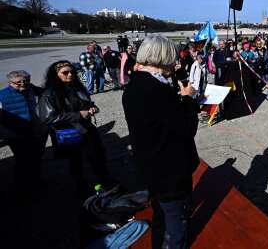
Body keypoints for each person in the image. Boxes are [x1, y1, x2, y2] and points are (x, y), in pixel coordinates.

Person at [122, 35, 200, 249]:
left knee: (162, 217)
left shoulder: (136, 84)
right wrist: (188, 98)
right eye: (173, 59)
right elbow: (186, 129)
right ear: (163, 58)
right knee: (176, 223)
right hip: (169, 170)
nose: (176, 64)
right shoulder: (156, 90)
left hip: (151, 165)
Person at [38, 60, 113, 197]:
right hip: (69, 132)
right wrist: (77, 115)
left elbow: (85, 102)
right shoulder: (49, 94)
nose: (70, 74)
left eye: (72, 71)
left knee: (97, 156)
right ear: (56, 75)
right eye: (65, 73)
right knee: (75, 161)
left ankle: (105, 181)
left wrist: (92, 107)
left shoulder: (77, 87)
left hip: (87, 129)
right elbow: (48, 118)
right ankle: (81, 187)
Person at [0, 71, 47, 194]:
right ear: (10, 83)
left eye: (26, 80)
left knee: (37, 156)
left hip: (36, 130)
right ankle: (22, 187)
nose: (23, 84)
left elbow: (46, 93)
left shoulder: (31, 89)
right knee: (22, 160)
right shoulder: (2, 95)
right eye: (18, 82)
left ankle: (36, 181)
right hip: (16, 134)